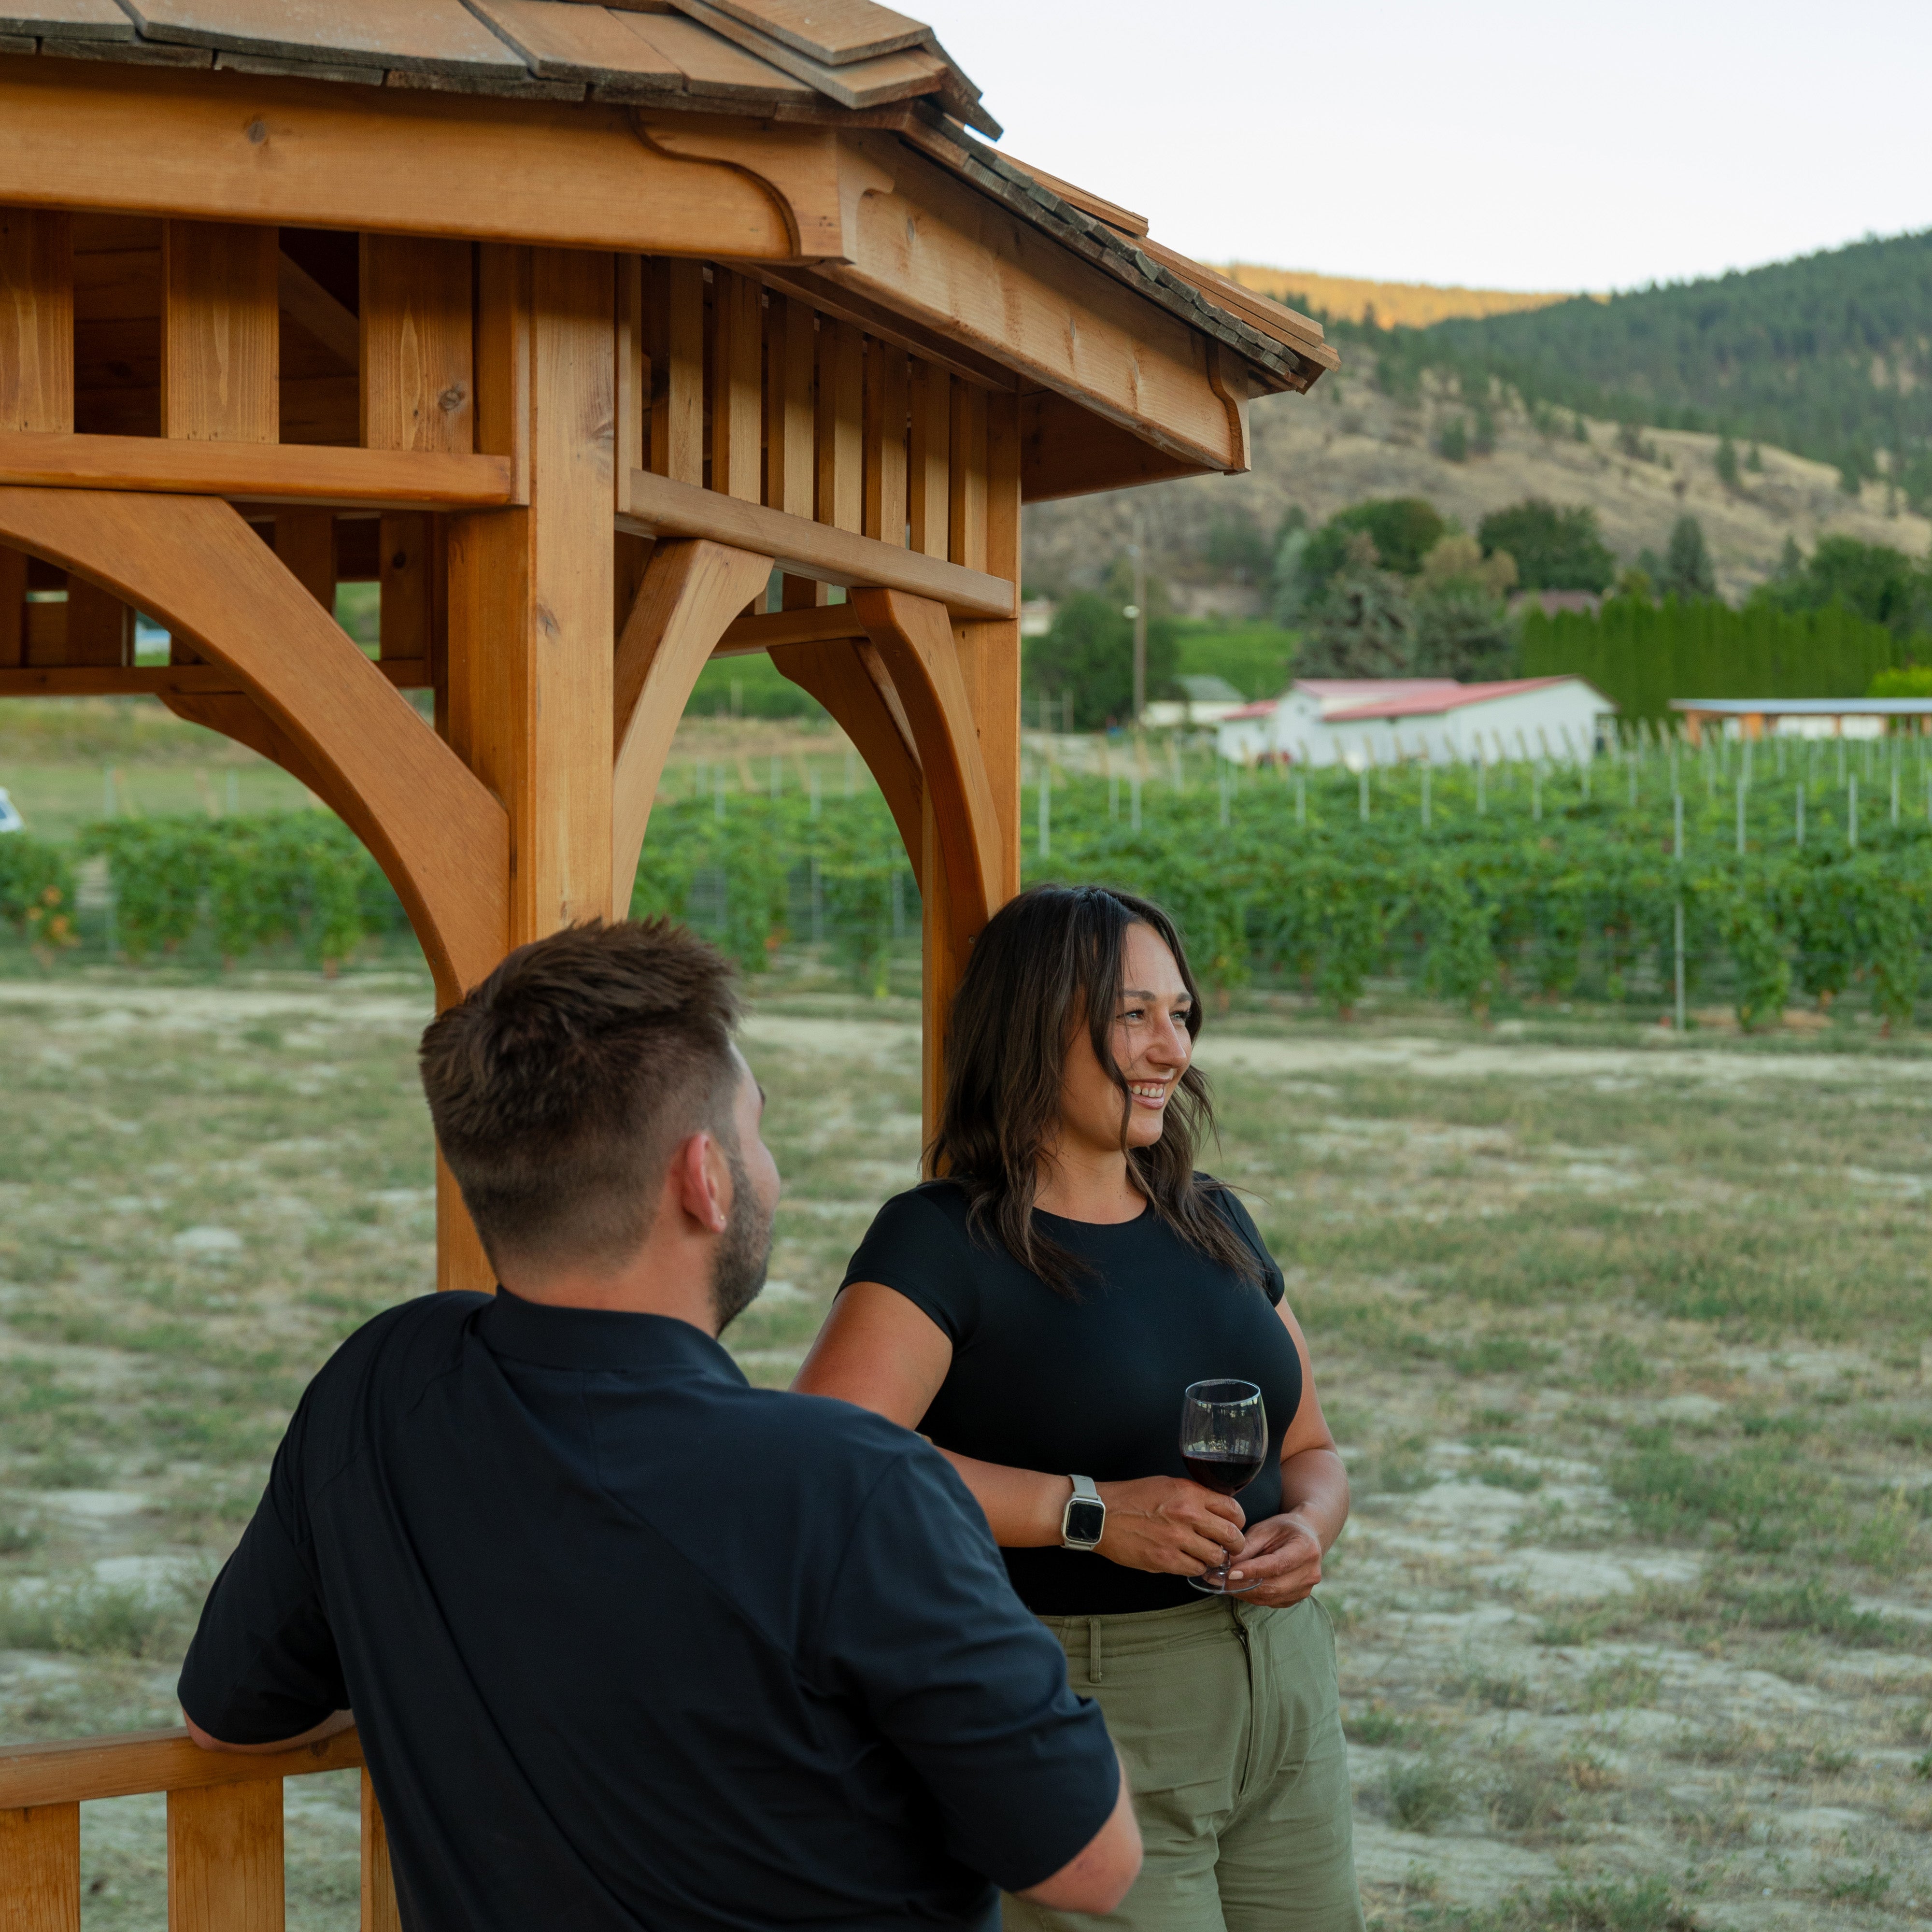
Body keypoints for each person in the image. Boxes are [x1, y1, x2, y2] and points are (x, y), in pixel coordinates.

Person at [175, 918, 1141, 1932]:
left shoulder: (378, 1383)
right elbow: (1088, 1861)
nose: (770, 1169)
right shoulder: (853, 1485)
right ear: (705, 1177)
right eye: (756, 1132)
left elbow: (225, 1716)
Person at [796, 885, 1364, 1932]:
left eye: (1180, 1013)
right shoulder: (941, 1240)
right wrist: (1088, 1509)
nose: (1168, 1049)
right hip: (1091, 1695)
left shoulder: (1215, 1219)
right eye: (1129, 1015)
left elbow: (1311, 1445)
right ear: (1033, 1022)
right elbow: (828, 1468)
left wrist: (1309, 1528)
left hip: (1281, 1681)